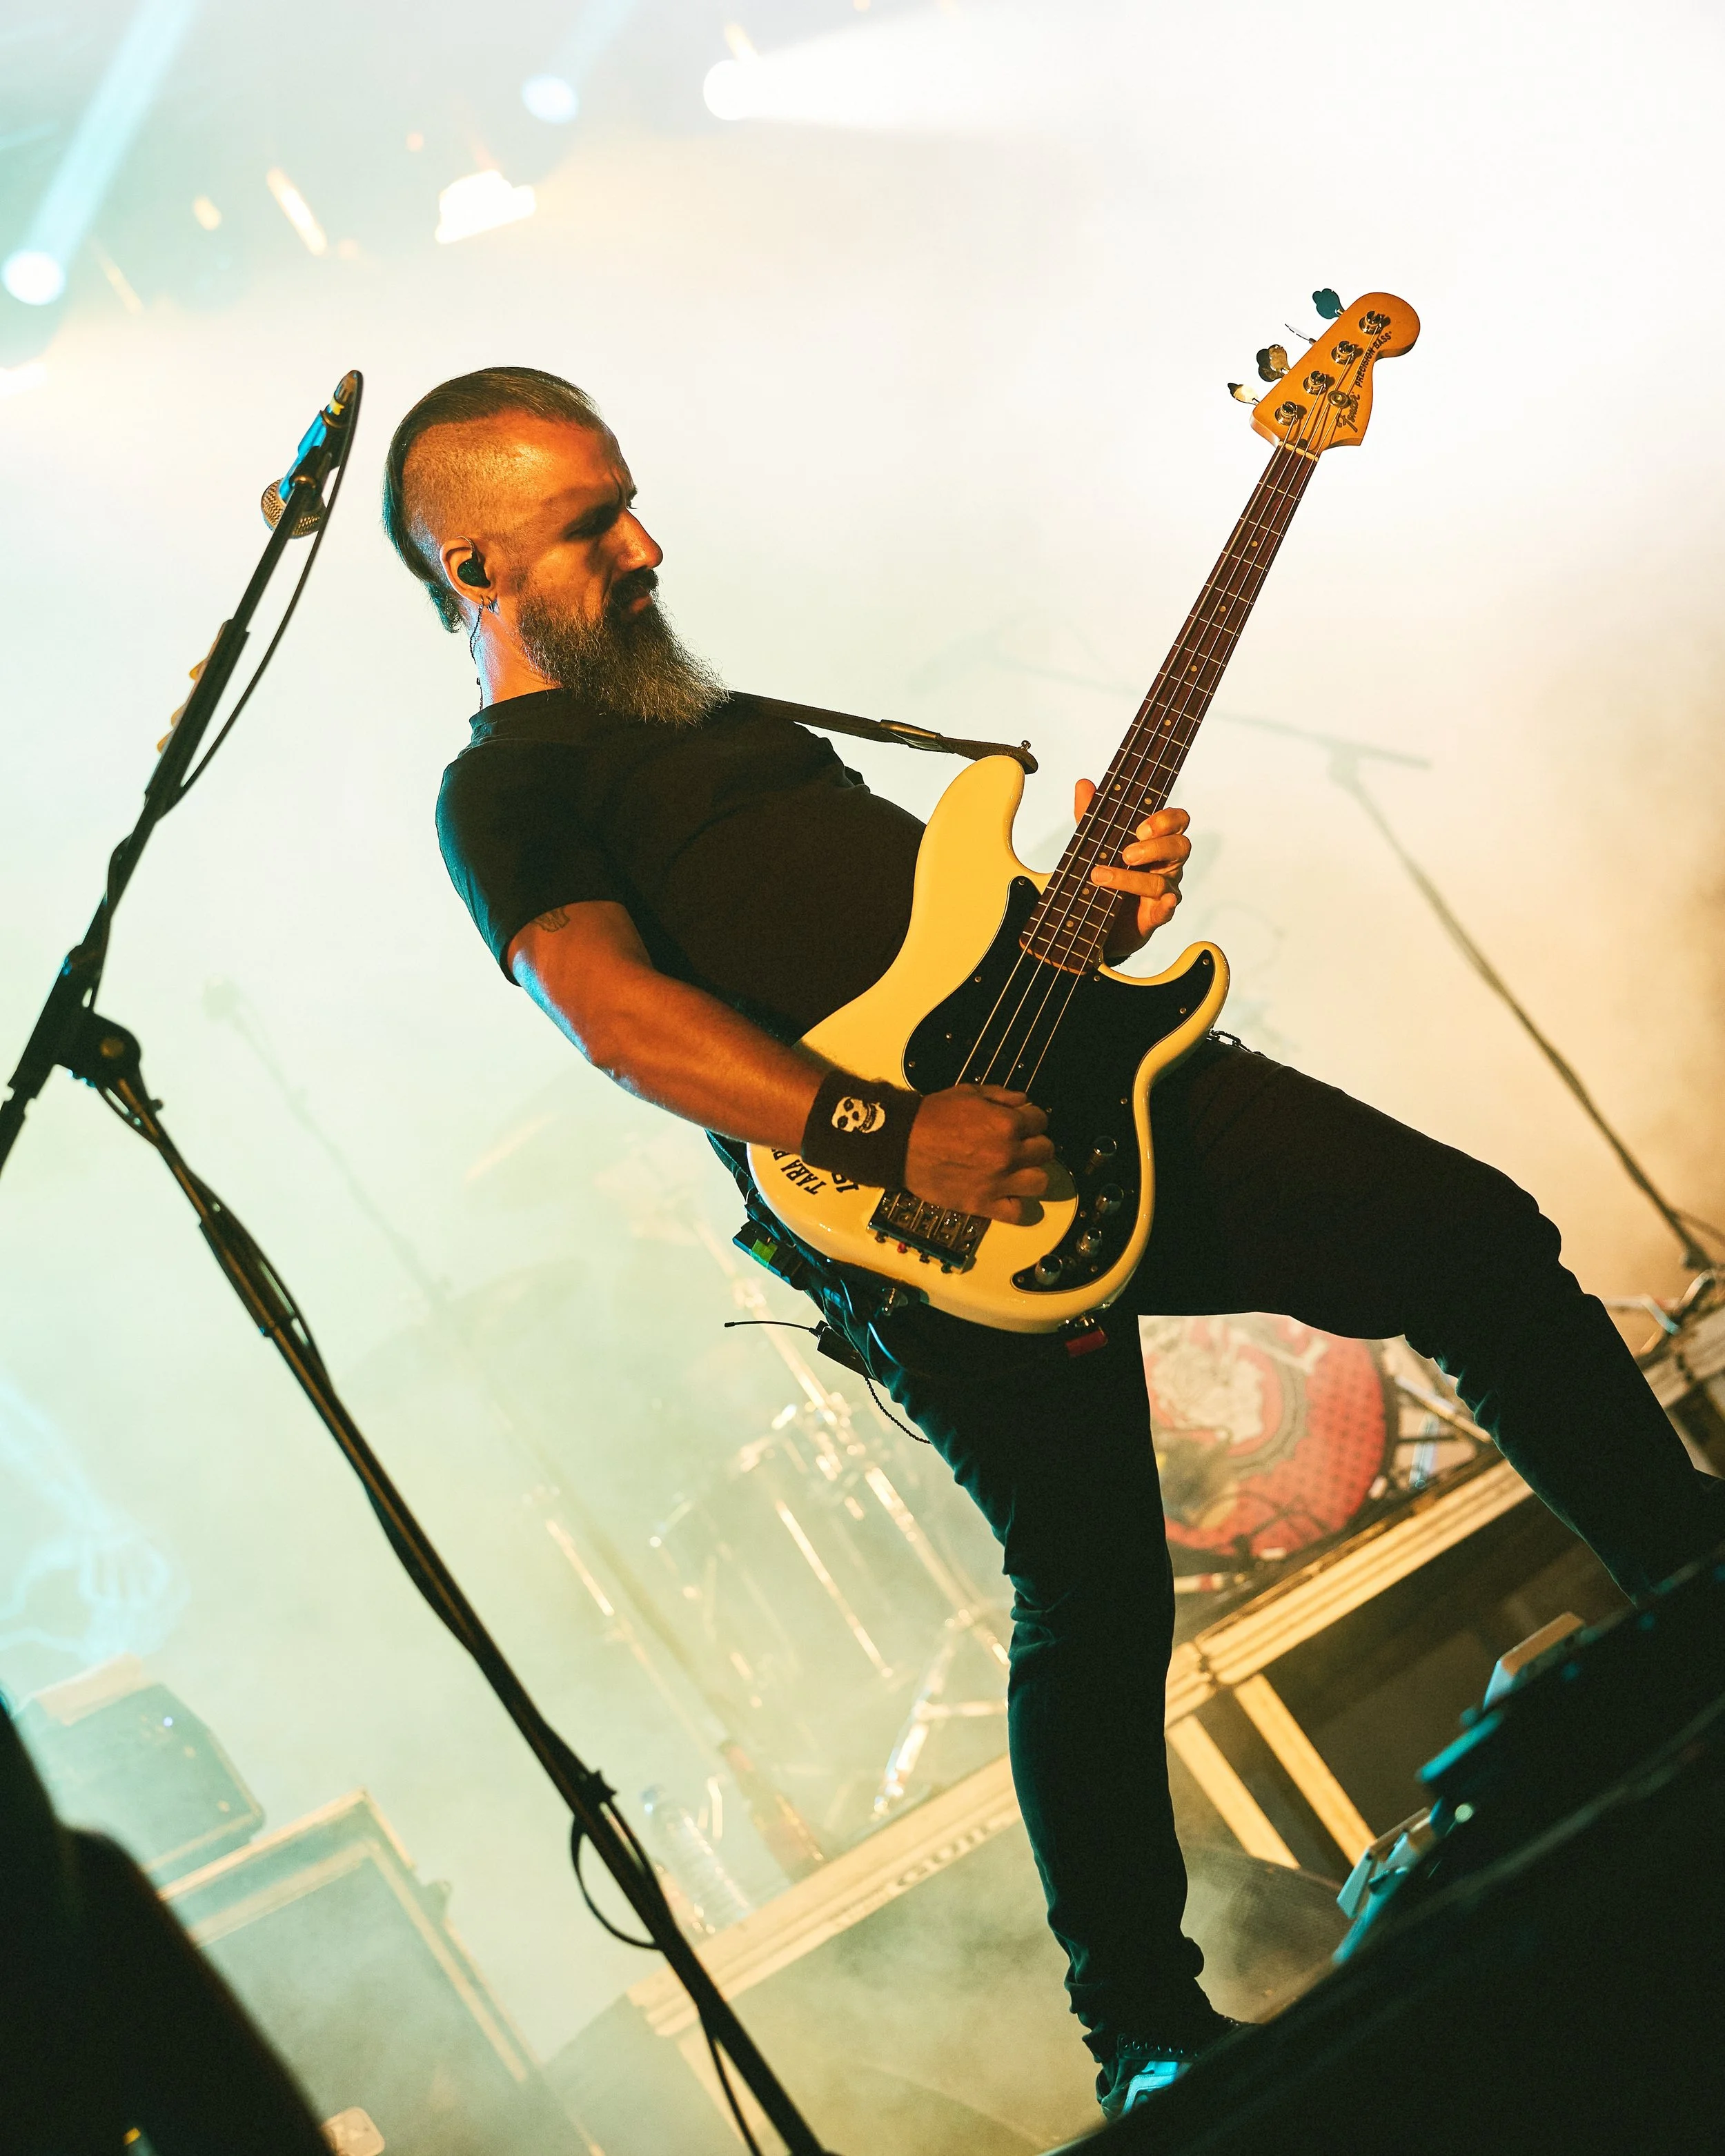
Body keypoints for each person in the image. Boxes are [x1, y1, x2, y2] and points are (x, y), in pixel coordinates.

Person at [386, 366, 1725, 2120]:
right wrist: (887, 1129)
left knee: (1474, 1243)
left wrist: (1085, 911)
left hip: (1103, 1080)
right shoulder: (505, 793)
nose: (646, 546)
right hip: (909, 1204)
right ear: (474, 565)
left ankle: (1695, 1614)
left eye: (631, 498)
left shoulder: (725, 722)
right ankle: (1144, 2031)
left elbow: (918, 939)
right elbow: (615, 1016)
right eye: (589, 525)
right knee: (1089, 1581)